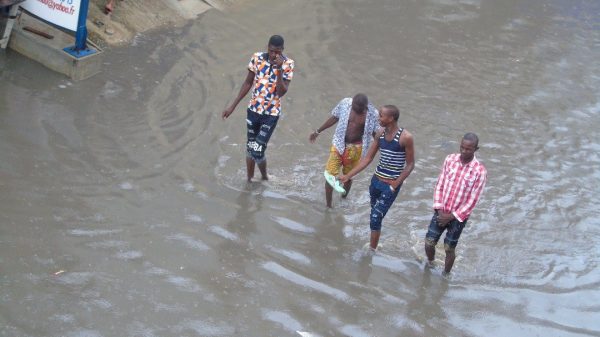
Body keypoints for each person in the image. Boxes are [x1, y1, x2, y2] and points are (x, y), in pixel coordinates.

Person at [340, 105, 415, 251]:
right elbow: (368, 159)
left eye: (381, 115)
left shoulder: (406, 137)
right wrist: (348, 176)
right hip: (376, 182)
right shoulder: (380, 133)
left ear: (391, 118)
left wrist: (395, 185)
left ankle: (371, 252)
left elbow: (410, 165)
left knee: (375, 217)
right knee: (374, 214)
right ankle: (374, 242)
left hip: (390, 185)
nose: (378, 118)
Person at [222, 35, 295, 182]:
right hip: (253, 111)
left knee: (258, 150)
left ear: (282, 50)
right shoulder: (257, 58)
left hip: (271, 114)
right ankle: (249, 180)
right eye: (272, 51)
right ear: (267, 47)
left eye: (278, 52)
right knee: (250, 148)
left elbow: (281, 92)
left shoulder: (288, 64)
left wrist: (279, 69)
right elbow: (248, 83)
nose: (274, 55)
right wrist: (232, 106)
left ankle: (264, 177)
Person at [424, 133, 487, 276]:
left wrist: (451, 216)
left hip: (458, 217)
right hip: (441, 211)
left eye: (468, 149)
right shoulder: (450, 160)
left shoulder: (480, 172)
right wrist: (439, 209)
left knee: (449, 248)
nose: (464, 151)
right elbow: (440, 184)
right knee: (429, 242)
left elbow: (473, 201)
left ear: (476, 149)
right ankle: (430, 263)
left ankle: (446, 274)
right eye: (462, 148)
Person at [309, 94, 380, 208]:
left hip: (356, 149)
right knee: (329, 176)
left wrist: (384, 150)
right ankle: (328, 206)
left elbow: (375, 134)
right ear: (352, 104)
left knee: (348, 177)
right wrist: (318, 131)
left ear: (365, 107)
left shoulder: (373, 114)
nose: (356, 111)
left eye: (360, 109)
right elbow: (334, 118)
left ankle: (344, 198)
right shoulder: (345, 103)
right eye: (354, 108)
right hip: (338, 144)